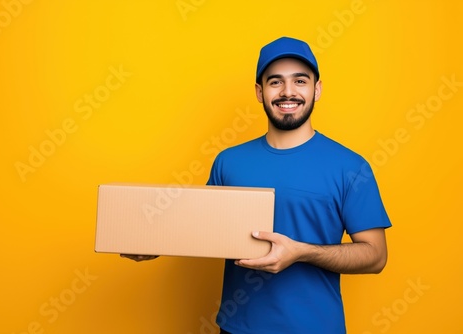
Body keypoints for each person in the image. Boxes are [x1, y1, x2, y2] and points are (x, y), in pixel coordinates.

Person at [123, 36, 391, 333]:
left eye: (300, 81)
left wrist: (302, 252)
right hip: (238, 327)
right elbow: (201, 228)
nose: (288, 92)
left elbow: (376, 256)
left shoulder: (351, 167)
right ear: (259, 92)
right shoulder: (229, 161)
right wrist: (153, 243)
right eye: (275, 82)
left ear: (317, 89)